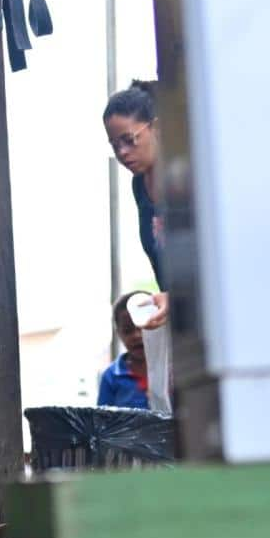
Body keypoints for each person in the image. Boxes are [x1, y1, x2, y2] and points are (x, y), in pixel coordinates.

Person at [104, 81, 169, 328]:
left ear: (157, 128)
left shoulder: (190, 180)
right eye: (114, 145)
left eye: (129, 139)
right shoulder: (139, 186)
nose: (122, 152)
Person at [96, 293, 153, 409]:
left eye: (143, 327)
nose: (136, 335)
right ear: (119, 334)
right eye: (128, 331)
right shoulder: (111, 376)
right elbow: (102, 420)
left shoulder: (173, 369)